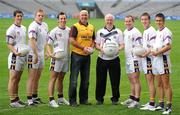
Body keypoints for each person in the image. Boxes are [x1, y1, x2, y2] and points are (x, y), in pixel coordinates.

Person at [95, 14, 124, 105]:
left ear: (113, 20)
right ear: (105, 20)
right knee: (100, 80)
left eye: (111, 20)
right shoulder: (100, 31)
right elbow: (96, 44)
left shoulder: (118, 31)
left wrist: (117, 50)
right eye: (107, 20)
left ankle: (115, 99)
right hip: (102, 58)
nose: (109, 21)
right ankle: (99, 99)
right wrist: (101, 49)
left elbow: (122, 44)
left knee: (115, 80)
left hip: (114, 59)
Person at [69, 10, 95, 107]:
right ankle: (72, 101)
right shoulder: (75, 26)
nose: (84, 16)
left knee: (85, 80)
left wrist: (91, 48)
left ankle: (84, 100)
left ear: (88, 16)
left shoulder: (91, 27)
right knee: (74, 80)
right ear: (79, 16)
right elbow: (71, 40)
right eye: (82, 15)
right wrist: (83, 48)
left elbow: (93, 39)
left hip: (87, 57)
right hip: (77, 55)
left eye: (86, 15)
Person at [46, 12, 70, 108]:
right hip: (56, 59)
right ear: (58, 20)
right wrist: (51, 54)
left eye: (64, 18)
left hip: (66, 58)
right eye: (61, 18)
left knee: (61, 78)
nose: (63, 20)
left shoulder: (69, 30)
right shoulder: (54, 31)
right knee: (53, 78)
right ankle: (51, 99)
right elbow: (48, 44)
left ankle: (60, 98)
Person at [151, 13, 173, 114]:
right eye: (157, 21)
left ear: (164, 21)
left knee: (166, 84)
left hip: (163, 59)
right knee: (159, 83)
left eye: (160, 20)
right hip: (156, 60)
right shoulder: (157, 31)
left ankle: (169, 107)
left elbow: (168, 46)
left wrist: (157, 52)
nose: (158, 22)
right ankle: (161, 104)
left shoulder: (166, 31)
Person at [27, 9, 48, 105]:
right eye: (39, 15)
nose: (41, 17)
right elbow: (32, 41)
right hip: (33, 53)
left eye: (42, 15)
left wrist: (46, 52)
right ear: (35, 16)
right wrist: (35, 54)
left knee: (37, 76)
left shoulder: (45, 25)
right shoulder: (33, 25)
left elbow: (46, 40)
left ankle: (35, 96)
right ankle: (29, 99)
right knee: (32, 77)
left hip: (41, 53)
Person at [6, 10, 27, 108]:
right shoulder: (11, 29)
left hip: (22, 56)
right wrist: (15, 52)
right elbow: (9, 44)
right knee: (13, 78)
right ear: (14, 17)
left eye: (21, 16)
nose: (19, 18)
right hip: (15, 57)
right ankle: (12, 101)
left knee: (18, 79)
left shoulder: (23, 28)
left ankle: (17, 98)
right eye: (18, 16)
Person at [121, 15, 142, 108]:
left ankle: (137, 100)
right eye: (126, 21)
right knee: (130, 79)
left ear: (133, 22)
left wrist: (135, 54)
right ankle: (132, 98)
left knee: (136, 79)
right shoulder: (125, 31)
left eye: (129, 21)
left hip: (135, 59)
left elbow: (140, 47)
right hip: (128, 58)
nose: (127, 23)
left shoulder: (136, 32)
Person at [139, 12, 156, 111]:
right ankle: (151, 101)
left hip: (150, 59)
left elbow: (153, 46)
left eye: (145, 19)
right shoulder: (146, 31)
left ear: (149, 20)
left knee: (150, 81)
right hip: (146, 59)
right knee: (148, 81)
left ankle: (152, 103)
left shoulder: (151, 31)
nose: (144, 21)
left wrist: (145, 54)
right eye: (142, 19)